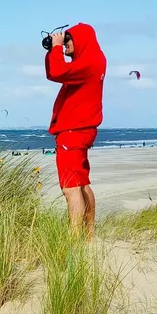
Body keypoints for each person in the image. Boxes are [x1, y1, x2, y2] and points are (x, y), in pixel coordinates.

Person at [45, 22, 107, 239]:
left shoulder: (89, 62)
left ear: (80, 39)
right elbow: (56, 72)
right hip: (83, 131)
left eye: (68, 39)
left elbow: (57, 71)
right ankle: (89, 236)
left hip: (72, 132)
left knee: (71, 189)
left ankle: (74, 242)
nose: (65, 44)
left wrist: (55, 47)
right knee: (82, 184)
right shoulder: (95, 60)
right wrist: (52, 49)